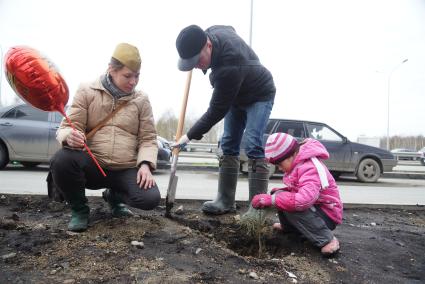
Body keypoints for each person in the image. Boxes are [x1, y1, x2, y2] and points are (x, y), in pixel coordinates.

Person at [50, 43, 161, 232]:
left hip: (125, 168)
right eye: (128, 76)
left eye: (137, 76)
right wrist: (70, 137)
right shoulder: (87, 91)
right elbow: (67, 127)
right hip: (93, 165)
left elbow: (148, 138)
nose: (133, 81)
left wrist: (145, 164)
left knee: (150, 198)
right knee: (62, 160)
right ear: (111, 70)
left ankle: (114, 197)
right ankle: (79, 210)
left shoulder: (141, 100)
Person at [173, 25, 276, 217]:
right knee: (229, 142)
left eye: (197, 60)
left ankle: (258, 207)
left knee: (253, 142)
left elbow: (216, 111)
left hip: (260, 94)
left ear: (209, 45)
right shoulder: (212, 33)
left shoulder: (229, 66)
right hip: (236, 95)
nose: (196, 66)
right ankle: (225, 200)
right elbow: (230, 27)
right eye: (191, 62)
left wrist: (188, 136)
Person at [251, 133, 343, 255]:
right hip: (316, 208)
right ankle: (290, 228)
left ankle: (327, 239)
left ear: (292, 155)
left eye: (280, 164)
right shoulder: (299, 164)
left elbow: (303, 201)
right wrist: (276, 196)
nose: (279, 168)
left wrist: (273, 200)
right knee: (279, 194)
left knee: (288, 202)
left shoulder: (310, 168)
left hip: (327, 213)